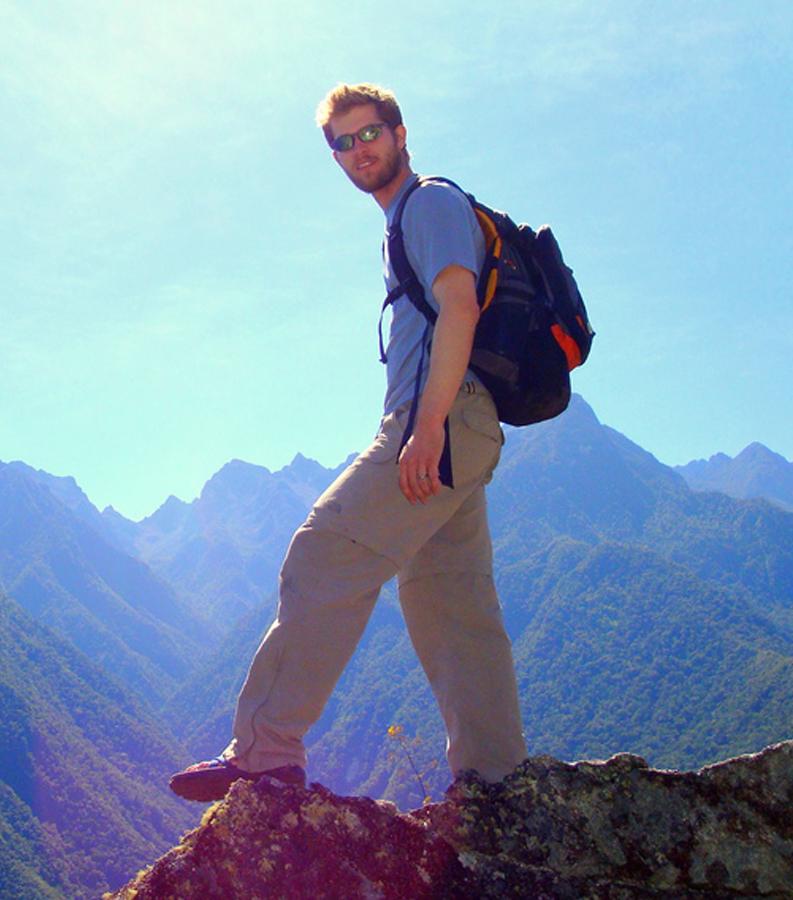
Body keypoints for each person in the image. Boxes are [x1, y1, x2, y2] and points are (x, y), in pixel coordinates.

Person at [169, 83, 527, 803]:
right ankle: (498, 782)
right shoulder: (407, 217)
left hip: (442, 422)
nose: (359, 151)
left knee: (324, 552)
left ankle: (265, 754)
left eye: (370, 134)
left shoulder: (427, 203)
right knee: (450, 603)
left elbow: (458, 303)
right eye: (343, 142)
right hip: (468, 428)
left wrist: (425, 430)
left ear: (399, 132)